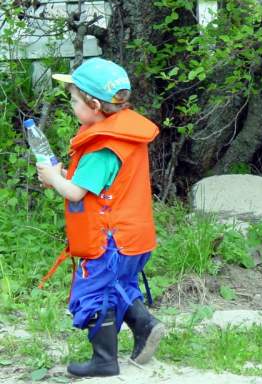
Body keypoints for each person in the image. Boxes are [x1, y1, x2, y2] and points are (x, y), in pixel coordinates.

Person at [36, 57, 166, 377]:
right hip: (135, 237)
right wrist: (62, 177)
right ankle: (146, 326)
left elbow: (76, 193)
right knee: (119, 285)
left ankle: (104, 361)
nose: (71, 105)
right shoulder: (125, 137)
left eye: (74, 100)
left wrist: (53, 179)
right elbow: (99, 185)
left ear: (94, 105)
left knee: (94, 292)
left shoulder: (101, 148)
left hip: (110, 241)